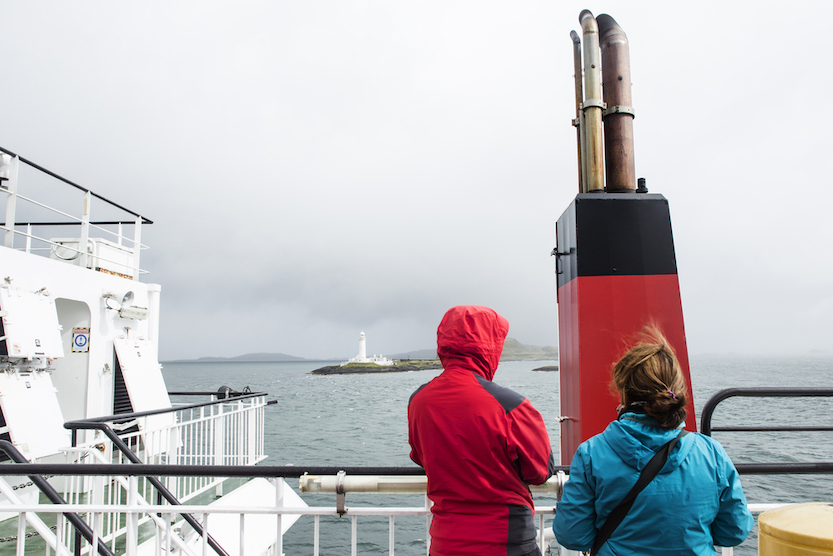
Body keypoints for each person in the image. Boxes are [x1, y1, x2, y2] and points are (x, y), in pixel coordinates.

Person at [553, 329, 753, 555]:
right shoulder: (711, 452)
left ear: (624, 394)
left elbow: (573, 536)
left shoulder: (591, 453)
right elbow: (733, 531)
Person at [408, 305, 555, 556]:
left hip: (447, 541)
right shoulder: (511, 405)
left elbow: (421, 456)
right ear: (490, 346)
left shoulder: (419, 401)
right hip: (506, 542)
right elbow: (540, 471)